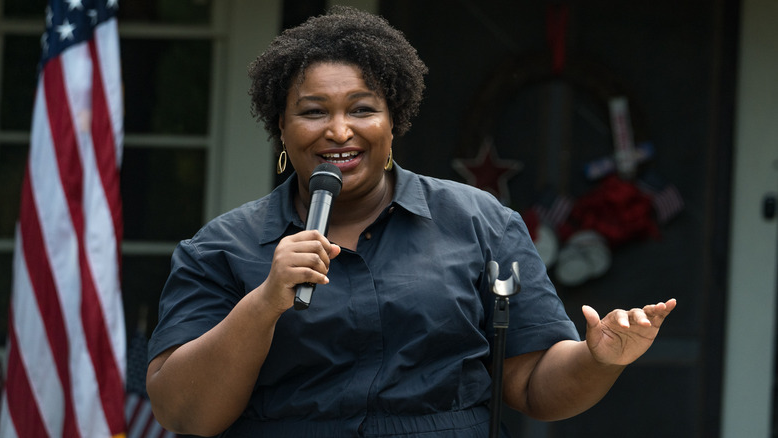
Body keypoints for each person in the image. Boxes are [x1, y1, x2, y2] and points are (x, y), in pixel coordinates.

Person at [146, 6, 676, 437]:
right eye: (312, 112)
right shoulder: (221, 247)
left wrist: (599, 359)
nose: (338, 130)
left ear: (392, 122)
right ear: (280, 128)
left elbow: (533, 385)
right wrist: (262, 304)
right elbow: (184, 414)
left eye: (361, 109)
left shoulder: (479, 222)